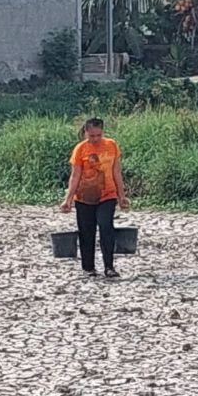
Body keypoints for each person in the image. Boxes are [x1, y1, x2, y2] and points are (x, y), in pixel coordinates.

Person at [60, 117, 130, 278]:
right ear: (85, 133)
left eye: (98, 135)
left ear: (102, 132)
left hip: (108, 194)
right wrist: (68, 199)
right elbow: (75, 175)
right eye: (92, 136)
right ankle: (88, 267)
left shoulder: (111, 145)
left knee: (106, 226)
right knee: (86, 231)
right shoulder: (80, 149)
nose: (95, 139)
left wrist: (122, 196)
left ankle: (109, 267)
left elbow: (116, 172)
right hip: (84, 196)